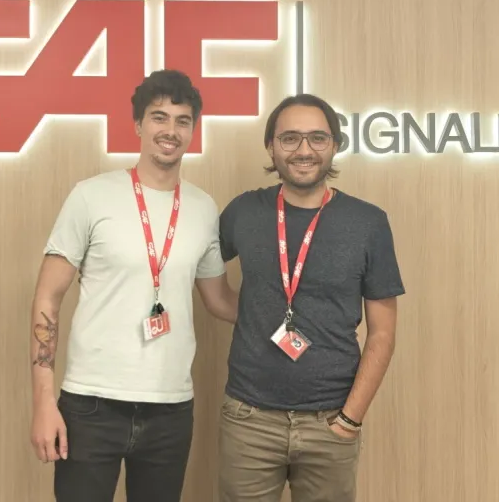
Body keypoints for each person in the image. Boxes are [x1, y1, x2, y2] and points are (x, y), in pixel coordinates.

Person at [28, 69, 237, 502]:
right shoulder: (91, 196)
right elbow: (48, 297)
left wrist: (292, 304)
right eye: (159, 117)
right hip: (90, 404)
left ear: (193, 131)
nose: (171, 130)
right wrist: (43, 403)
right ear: (139, 125)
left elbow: (219, 300)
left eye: (183, 121)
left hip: (171, 407)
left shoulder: (202, 207)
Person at [217, 94, 405, 502]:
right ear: (271, 147)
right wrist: (252, 314)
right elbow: (199, 271)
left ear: (335, 144)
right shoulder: (243, 212)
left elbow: (383, 334)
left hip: (331, 420)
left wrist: (350, 420)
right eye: (290, 138)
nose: (304, 150)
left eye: (317, 138)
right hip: (249, 419)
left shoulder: (368, 222)